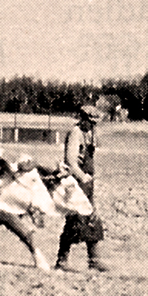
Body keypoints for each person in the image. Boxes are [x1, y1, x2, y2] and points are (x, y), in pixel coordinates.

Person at [55, 105, 110, 272]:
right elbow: (71, 161)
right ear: (83, 118)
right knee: (75, 220)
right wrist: (81, 176)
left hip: (87, 183)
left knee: (91, 217)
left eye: (95, 123)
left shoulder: (90, 134)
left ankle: (93, 260)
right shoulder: (75, 133)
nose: (93, 125)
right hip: (76, 181)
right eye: (90, 122)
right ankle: (62, 260)